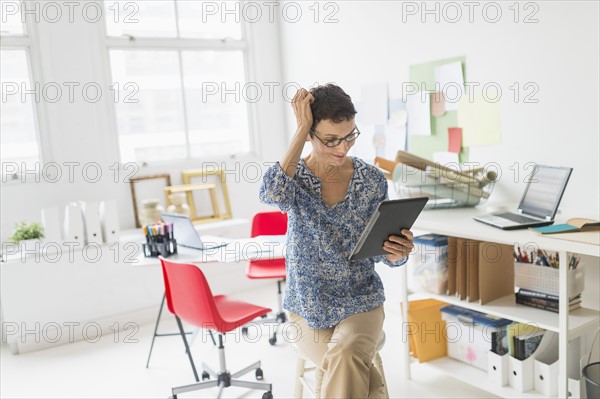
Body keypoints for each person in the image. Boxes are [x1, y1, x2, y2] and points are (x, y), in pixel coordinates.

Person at [259, 83, 414, 398]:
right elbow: (271, 193)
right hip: (308, 306)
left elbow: (384, 252)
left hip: (362, 303)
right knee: (354, 370)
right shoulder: (294, 179)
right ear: (310, 134)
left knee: (343, 356)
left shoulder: (371, 181)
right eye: (330, 139)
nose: (342, 148)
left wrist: (399, 252)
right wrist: (301, 129)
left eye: (349, 136)